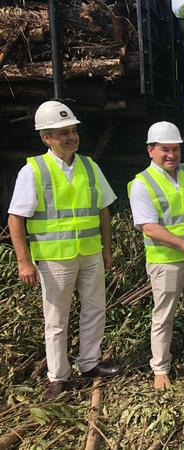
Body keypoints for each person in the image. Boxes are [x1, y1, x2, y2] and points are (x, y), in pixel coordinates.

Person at [7, 100, 120, 399]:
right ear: (46, 137)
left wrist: (106, 249)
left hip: (89, 252)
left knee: (95, 309)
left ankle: (90, 363)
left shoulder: (88, 165)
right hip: (54, 258)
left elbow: (103, 211)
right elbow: (15, 218)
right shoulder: (34, 170)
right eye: (62, 133)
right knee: (57, 319)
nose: (71, 137)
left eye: (72, 131)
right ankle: (58, 376)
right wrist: (24, 261)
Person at [128, 121, 184, 390]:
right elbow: (150, 227)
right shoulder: (142, 183)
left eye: (175, 149)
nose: (171, 155)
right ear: (150, 150)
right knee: (164, 316)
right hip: (166, 262)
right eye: (165, 149)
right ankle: (161, 368)